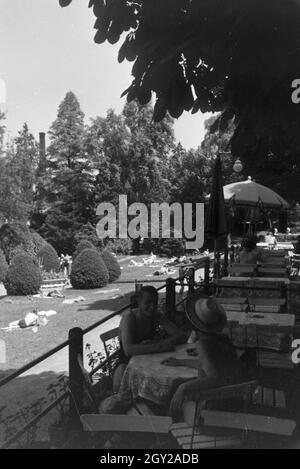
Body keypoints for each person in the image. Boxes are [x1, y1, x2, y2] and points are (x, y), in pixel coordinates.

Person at [162, 295, 241, 421]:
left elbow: (214, 377)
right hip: (233, 399)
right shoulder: (224, 340)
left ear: (194, 325)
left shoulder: (202, 344)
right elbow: (208, 364)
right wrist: (180, 362)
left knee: (174, 389)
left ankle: (169, 427)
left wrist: (184, 388)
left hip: (211, 410)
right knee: (176, 382)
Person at [113, 286, 187, 392]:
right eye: (147, 302)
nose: (152, 306)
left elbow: (181, 335)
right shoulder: (129, 318)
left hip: (147, 364)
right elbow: (128, 350)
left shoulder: (155, 315)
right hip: (127, 368)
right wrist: (160, 346)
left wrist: (161, 343)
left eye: (155, 303)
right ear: (139, 302)